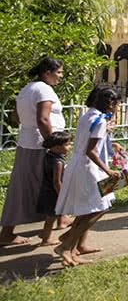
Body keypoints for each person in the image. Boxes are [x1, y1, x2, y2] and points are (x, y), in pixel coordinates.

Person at [1, 56, 67, 246]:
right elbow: (43, 119)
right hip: (41, 146)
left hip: (27, 143)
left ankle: (61, 218)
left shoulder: (27, 88)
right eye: (59, 72)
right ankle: (49, 231)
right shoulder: (44, 90)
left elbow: (15, 117)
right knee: (52, 184)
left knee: (22, 187)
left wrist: (29, 127)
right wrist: (53, 144)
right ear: (47, 72)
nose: (60, 76)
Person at [53, 87, 121, 267]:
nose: (117, 108)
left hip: (80, 165)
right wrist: (108, 170)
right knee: (97, 208)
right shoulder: (99, 120)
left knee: (94, 208)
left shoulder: (88, 116)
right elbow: (90, 151)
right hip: (89, 168)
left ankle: (71, 244)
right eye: (117, 104)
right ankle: (67, 244)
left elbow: (88, 142)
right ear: (110, 104)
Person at [36, 131, 70, 246]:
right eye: (67, 145)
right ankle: (46, 238)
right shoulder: (58, 162)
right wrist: (62, 196)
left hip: (46, 190)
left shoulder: (48, 155)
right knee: (51, 217)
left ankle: (45, 233)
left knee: (51, 216)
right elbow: (57, 181)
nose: (69, 147)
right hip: (53, 193)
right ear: (57, 147)